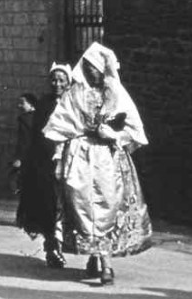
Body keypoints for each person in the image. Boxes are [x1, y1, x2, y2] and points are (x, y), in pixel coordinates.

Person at [44, 43, 152, 285]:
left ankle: (106, 263)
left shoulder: (116, 94)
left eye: (96, 68)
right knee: (82, 205)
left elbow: (134, 130)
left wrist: (113, 135)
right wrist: (60, 160)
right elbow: (61, 126)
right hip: (80, 156)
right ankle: (96, 257)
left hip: (107, 157)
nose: (92, 72)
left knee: (106, 205)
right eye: (88, 67)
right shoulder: (75, 93)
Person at [16, 65, 71, 268]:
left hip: (70, 159)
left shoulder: (74, 101)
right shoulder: (44, 103)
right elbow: (37, 134)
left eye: (61, 80)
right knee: (49, 204)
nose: (57, 84)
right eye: (54, 80)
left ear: (68, 82)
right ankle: (51, 247)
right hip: (45, 160)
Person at [9, 92, 37, 196]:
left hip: (26, 158)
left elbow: (24, 140)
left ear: (31, 104)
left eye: (22, 103)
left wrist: (19, 158)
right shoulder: (38, 117)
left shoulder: (25, 119)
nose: (19, 106)